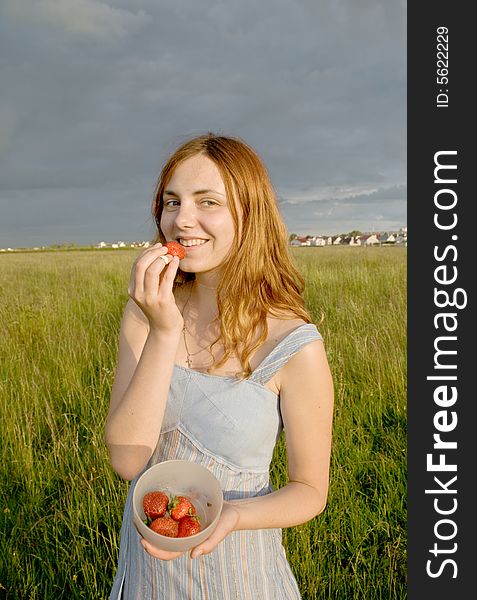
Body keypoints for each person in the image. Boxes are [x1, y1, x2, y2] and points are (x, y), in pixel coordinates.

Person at [105, 132, 334, 599]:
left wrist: (233, 516)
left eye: (207, 201)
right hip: (147, 574)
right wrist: (163, 332)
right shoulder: (146, 313)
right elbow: (128, 460)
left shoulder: (294, 345)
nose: (181, 220)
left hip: (239, 572)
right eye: (172, 202)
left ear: (250, 214)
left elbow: (310, 489)